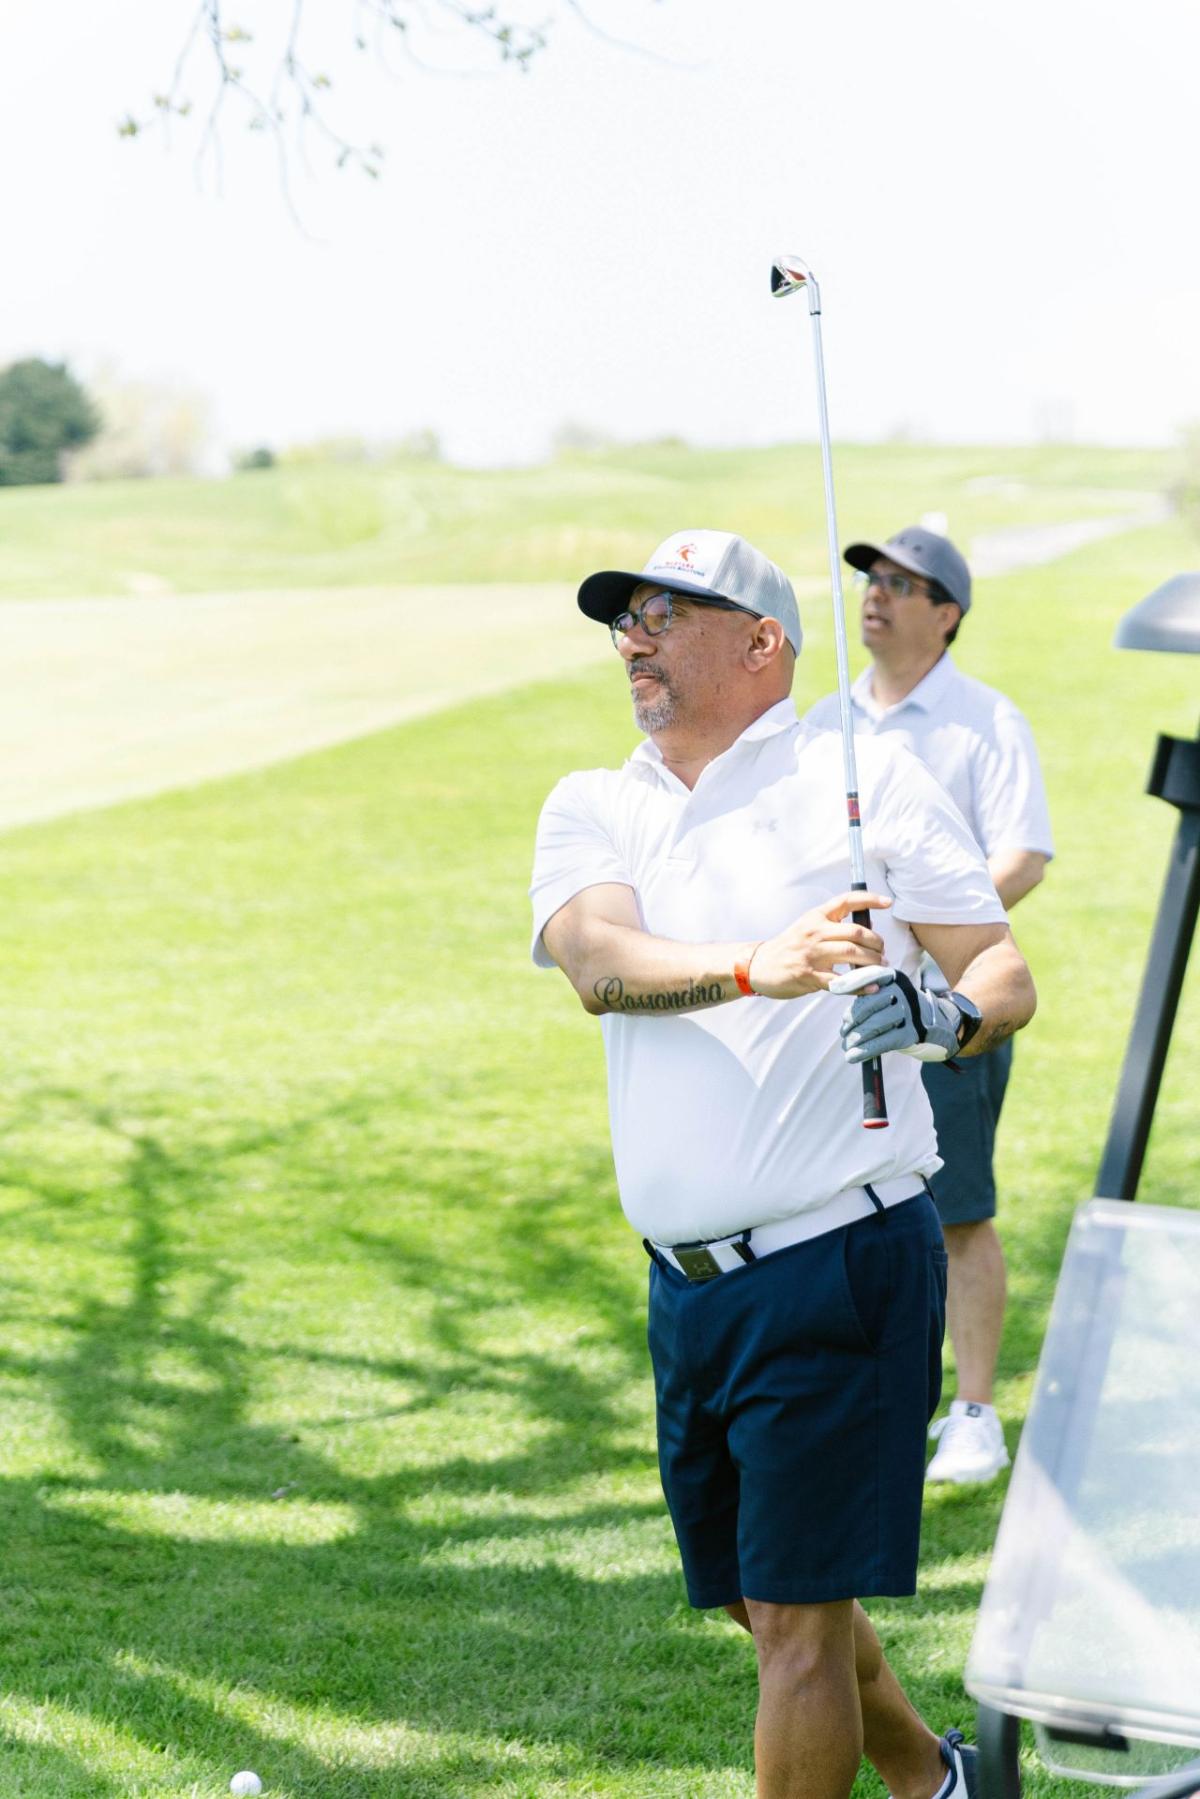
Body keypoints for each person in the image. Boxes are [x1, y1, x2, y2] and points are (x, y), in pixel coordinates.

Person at [529, 527, 1036, 1799]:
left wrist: (941, 1017)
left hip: (840, 1257)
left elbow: (1001, 969)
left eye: (665, 612)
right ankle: (933, 1779)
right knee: (768, 1601)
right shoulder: (597, 799)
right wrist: (762, 962)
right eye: (624, 617)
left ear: (763, 642)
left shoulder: (864, 782)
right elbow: (599, 961)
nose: (632, 637)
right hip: (687, 1285)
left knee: (801, 1625)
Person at [804, 526, 1052, 1485]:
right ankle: (871, 1406)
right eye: (871, 577)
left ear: (946, 613)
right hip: (843, 1003)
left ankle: (975, 1410)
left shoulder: (985, 721)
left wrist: (916, 926)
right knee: (848, 1204)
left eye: (903, 583)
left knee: (957, 1208)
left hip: (952, 1002)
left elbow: (1021, 856)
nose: (876, 593)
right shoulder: (827, 721)